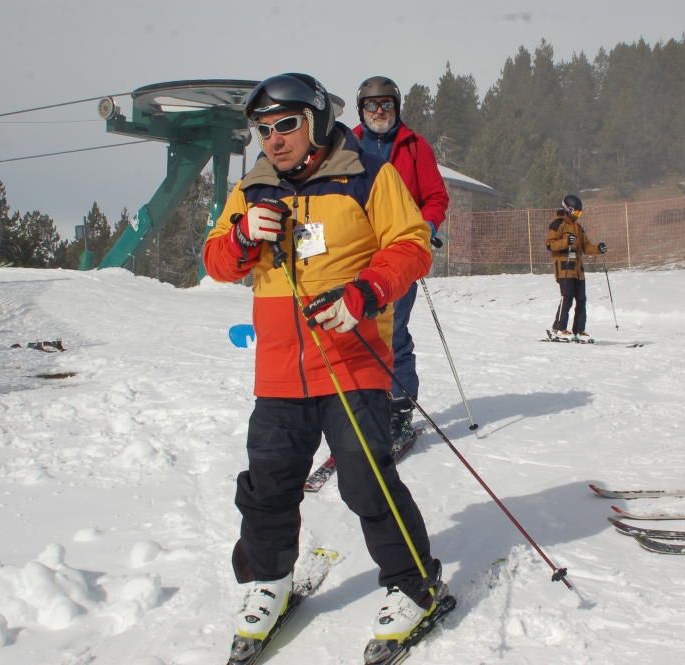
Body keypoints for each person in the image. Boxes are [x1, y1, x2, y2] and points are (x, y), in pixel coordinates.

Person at [202, 73, 446, 655]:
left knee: (364, 478)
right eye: (262, 130)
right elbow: (214, 260)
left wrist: (364, 293)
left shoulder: (366, 173)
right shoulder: (252, 189)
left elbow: (411, 244)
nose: (273, 140)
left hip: (351, 360)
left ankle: (414, 583)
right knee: (269, 485)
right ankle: (269, 580)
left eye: (285, 125)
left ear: (314, 122)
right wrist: (239, 237)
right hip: (281, 370)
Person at [352, 76, 449, 446]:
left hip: (399, 252)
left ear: (397, 108)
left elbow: (436, 196)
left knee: (392, 333)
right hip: (356, 252)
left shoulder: (414, 147)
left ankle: (399, 412)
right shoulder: (348, 144)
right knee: (353, 332)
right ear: (361, 109)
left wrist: (424, 226)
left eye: (386, 105)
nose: (379, 112)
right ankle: (362, 410)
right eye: (372, 105)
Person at [545, 195, 607, 343]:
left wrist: (598, 248)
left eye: (579, 213)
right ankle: (560, 329)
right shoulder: (557, 224)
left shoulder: (578, 228)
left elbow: (586, 246)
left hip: (578, 270)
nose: (577, 216)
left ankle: (579, 330)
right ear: (568, 209)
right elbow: (550, 244)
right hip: (564, 267)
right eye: (576, 213)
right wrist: (566, 241)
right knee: (566, 298)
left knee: (581, 300)